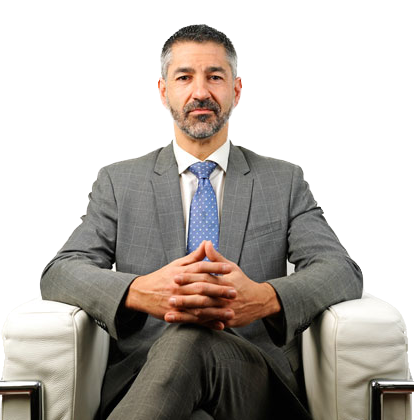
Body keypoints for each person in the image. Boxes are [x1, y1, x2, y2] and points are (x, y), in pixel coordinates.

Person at [41, 24, 363, 420]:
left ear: (236, 90)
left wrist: (263, 298)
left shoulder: (282, 181)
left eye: (214, 77)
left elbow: (341, 270)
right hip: (144, 380)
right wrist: (140, 292)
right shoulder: (119, 182)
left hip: (251, 383)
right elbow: (60, 272)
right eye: (184, 78)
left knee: (192, 340)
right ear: (163, 91)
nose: (200, 92)